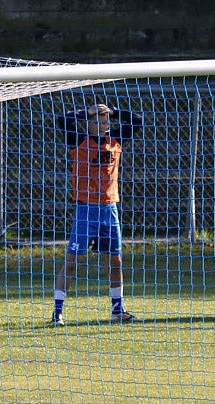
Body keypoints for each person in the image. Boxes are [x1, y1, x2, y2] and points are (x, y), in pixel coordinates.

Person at [51, 103, 144, 326]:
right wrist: (88, 112)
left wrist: (112, 111)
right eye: (99, 121)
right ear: (90, 124)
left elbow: (137, 119)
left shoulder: (116, 140)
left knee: (115, 262)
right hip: (86, 210)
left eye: (106, 121)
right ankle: (57, 313)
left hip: (110, 209)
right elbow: (62, 118)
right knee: (72, 262)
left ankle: (117, 309)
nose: (104, 125)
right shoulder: (78, 140)